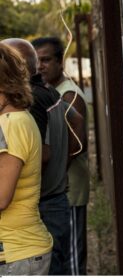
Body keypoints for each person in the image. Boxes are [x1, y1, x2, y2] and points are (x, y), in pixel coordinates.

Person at [2, 38, 85, 275]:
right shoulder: (48, 92)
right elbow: (76, 120)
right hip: (51, 199)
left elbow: (40, 155)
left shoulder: (27, 106)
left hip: (43, 205)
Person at [32, 36, 89, 275]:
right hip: (60, 188)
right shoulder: (50, 93)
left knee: (72, 261)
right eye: (37, 61)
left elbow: (78, 144)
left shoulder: (68, 95)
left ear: (60, 62)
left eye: (46, 60)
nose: (40, 66)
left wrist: (57, 172)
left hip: (69, 189)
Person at [0, 43, 53, 275]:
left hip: (16, 254)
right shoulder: (18, 118)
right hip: (21, 251)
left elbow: (1, 198)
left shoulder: (10, 124)